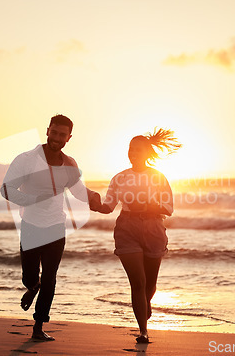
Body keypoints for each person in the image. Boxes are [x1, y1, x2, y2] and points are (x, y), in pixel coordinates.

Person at [0, 115, 100, 341]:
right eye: (54, 133)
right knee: (29, 276)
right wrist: (32, 199)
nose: (57, 138)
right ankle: (31, 286)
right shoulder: (26, 159)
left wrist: (97, 201)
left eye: (62, 135)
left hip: (56, 226)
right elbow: (6, 189)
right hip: (31, 225)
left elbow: (78, 191)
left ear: (69, 137)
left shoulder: (70, 164)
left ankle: (38, 326)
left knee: (50, 277)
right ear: (47, 131)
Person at [90, 128, 181, 344]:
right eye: (131, 149)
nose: (133, 153)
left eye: (138, 150)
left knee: (150, 284)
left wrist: (151, 205)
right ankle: (143, 331)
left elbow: (169, 208)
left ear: (147, 153)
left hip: (153, 227)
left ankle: (145, 303)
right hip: (127, 228)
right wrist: (95, 204)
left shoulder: (158, 177)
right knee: (138, 283)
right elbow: (109, 206)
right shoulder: (119, 178)